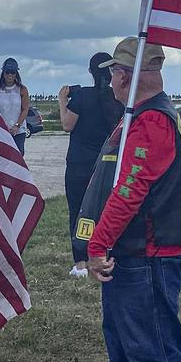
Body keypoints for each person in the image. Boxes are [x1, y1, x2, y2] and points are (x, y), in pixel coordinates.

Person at [81, 37, 181, 362]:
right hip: (137, 256)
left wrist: (97, 245)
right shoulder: (143, 116)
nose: (110, 81)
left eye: (114, 72)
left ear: (126, 76)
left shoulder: (151, 121)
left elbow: (130, 190)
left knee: (153, 359)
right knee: (128, 356)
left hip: (148, 259)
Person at [58, 53, 123, 278]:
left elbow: (67, 125)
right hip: (106, 164)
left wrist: (62, 102)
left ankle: (81, 262)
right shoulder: (116, 99)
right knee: (106, 210)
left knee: (77, 211)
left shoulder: (82, 97)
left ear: (90, 72)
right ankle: (106, 253)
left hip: (79, 163)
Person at [0, 58, 30, 155]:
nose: (10, 75)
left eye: (12, 72)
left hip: (18, 131)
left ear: (16, 73)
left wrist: (17, 125)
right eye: (7, 72)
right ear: (3, 73)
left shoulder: (22, 90)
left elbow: (25, 109)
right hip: (2, 131)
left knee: (18, 155)